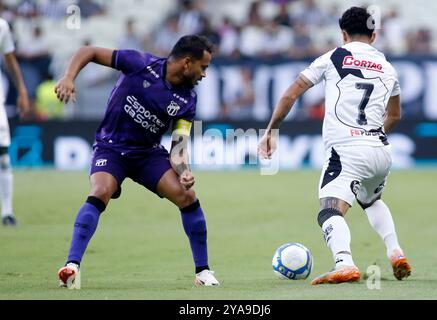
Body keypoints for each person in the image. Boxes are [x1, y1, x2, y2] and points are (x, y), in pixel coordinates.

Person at [258, 7, 411, 284]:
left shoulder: (334, 57)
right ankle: (395, 251)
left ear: (343, 34)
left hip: (346, 150)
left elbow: (291, 93)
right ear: (374, 35)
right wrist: (373, 135)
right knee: (371, 199)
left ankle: (344, 262)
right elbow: (396, 115)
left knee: (329, 209)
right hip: (380, 150)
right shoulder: (388, 67)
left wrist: (272, 131)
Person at [55, 35, 220, 288]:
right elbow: (88, 51)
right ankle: (71, 267)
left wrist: (184, 170)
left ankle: (203, 272)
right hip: (111, 148)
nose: (205, 74)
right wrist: (68, 77)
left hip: (147, 155)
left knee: (187, 196)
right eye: (204, 67)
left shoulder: (187, 100)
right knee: (100, 191)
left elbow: (178, 147)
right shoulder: (139, 62)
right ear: (187, 63)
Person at [0, 18, 30, 226]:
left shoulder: (1, 26)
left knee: (3, 158)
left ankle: (7, 212)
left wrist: (21, 89)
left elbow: (10, 59)